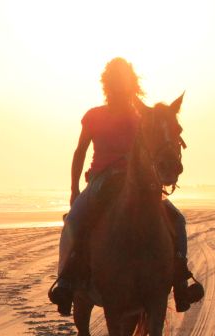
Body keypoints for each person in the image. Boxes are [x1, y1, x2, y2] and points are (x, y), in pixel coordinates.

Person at [48, 57, 204, 316]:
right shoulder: (94, 116)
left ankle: (180, 280)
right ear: (108, 86)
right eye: (115, 84)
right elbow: (79, 152)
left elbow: (155, 146)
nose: (119, 89)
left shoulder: (142, 117)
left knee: (177, 220)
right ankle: (66, 280)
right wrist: (74, 189)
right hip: (100, 180)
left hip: (138, 181)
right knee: (74, 220)